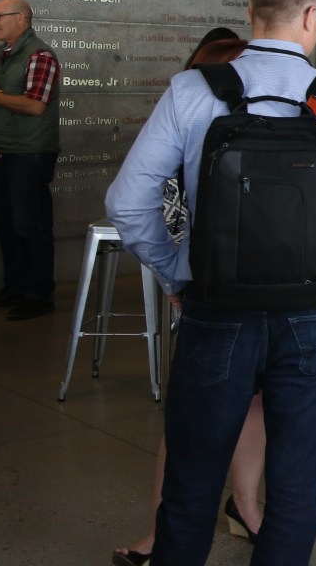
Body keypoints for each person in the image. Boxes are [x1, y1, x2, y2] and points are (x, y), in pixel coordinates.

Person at [105, 0, 316, 565]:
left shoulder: (192, 90)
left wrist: (174, 269)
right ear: (314, 17)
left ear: (250, 12)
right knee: (295, 494)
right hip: (311, 311)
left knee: (189, 488)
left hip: (216, 305)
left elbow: (127, 202)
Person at [113, 37, 265, 566]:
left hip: (255, 286)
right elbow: (154, 207)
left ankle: (244, 506)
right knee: (193, 416)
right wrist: (175, 276)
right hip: (211, 287)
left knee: (252, 402)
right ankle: (164, 530)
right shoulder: (189, 116)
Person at [0, 0, 62, 321]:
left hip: (29, 154)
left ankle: (40, 293)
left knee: (31, 225)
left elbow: (35, 105)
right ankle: (16, 286)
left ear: (21, 18)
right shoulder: (4, 56)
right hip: (3, 151)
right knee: (4, 224)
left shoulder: (39, 55)